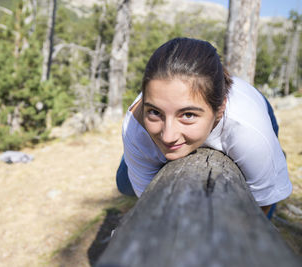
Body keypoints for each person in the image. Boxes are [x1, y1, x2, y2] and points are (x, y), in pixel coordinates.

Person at [116, 37, 292, 219]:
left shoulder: (249, 134)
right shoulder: (135, 126)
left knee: (263, 175)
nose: (168, 136)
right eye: (154, 112)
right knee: (123, 183)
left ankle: (275, 158)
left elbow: (263, 201)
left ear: (220, 109)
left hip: (256, 113)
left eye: (188, 115)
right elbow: (150, 201)